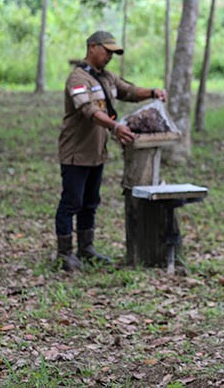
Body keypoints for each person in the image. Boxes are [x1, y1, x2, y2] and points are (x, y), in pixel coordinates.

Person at [55, 30, 167, 272]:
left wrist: (152, 92)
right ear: (92, 47)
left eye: (113, 53)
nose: (109, 56)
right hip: (76, 152)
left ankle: (86, 248)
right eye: (107, 51)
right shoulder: (77, 78)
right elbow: (88, 110)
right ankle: (65, 253)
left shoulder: (106, 77)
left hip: (96, 152)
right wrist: (115, 126)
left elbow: (127, 91)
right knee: (71, 201)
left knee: (90, 202)